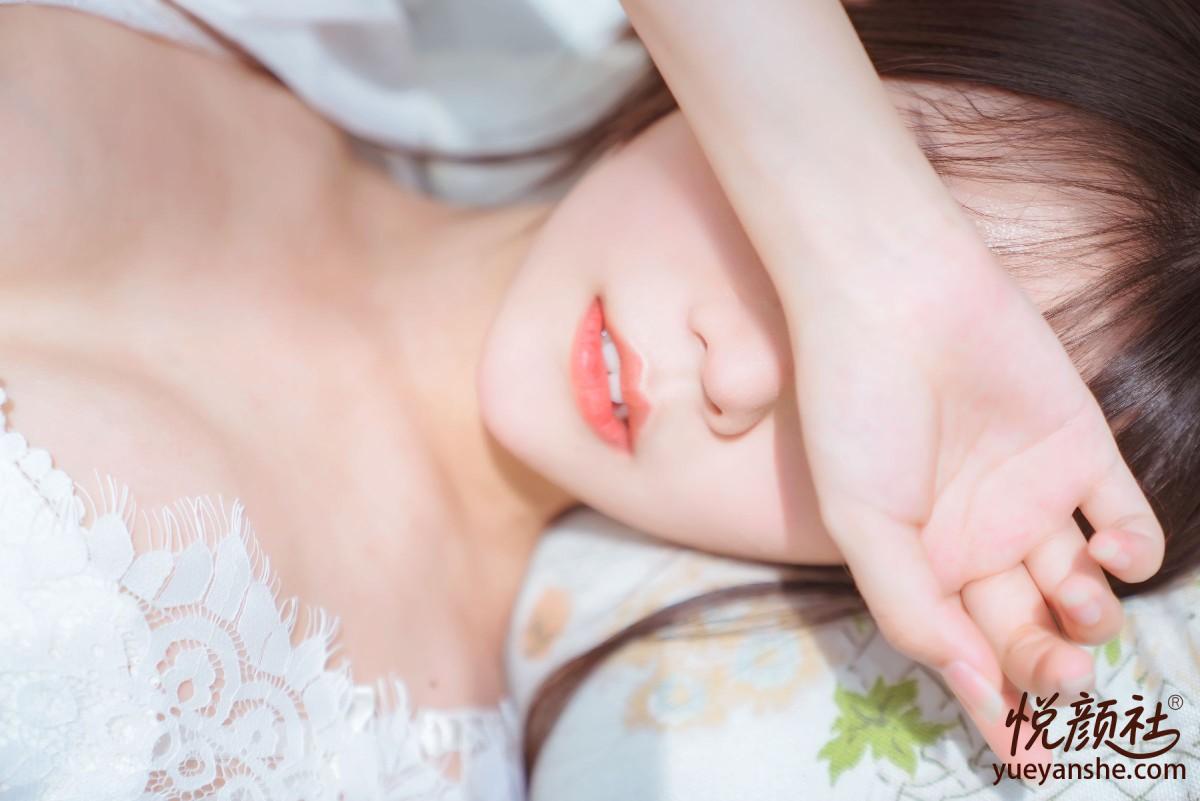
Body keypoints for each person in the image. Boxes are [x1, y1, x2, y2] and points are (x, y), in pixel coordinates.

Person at [0, 2, 1187, 800]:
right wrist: (869, 253)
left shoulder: (378, 755)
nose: (737, 376)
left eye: (904, 426)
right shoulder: (333, 28)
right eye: (819, 284)